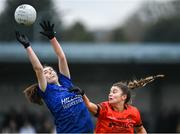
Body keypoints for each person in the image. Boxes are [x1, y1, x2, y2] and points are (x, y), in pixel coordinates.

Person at [15, 20, 94, 133]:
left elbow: (61, 57)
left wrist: (52, 38)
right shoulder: (47, 90)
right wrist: (28, 46)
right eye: (46, 72)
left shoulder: (66, 83)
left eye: (51, 70)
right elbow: (38, 69)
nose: (50, 72)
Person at [73, 75, 164, 133]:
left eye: (114, 92)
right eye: (110, 92)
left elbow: (140, 129)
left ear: (123, 97)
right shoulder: (105, 107)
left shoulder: (134, 112)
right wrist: (82, 94)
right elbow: (89, 105)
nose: (110, 94)